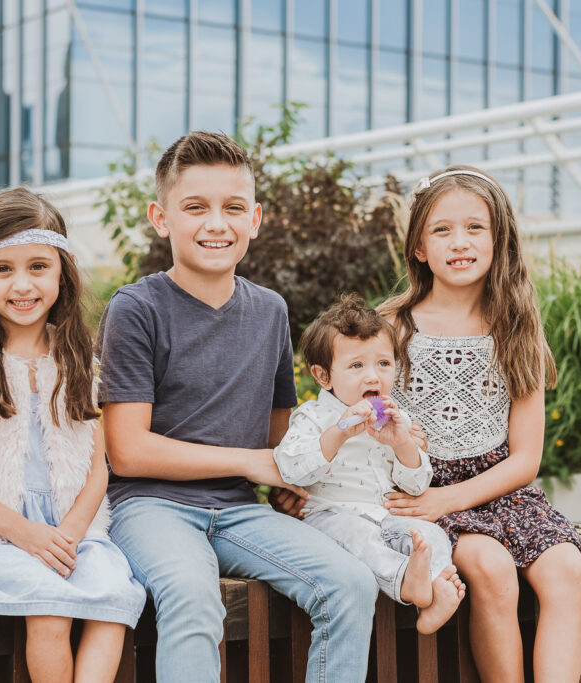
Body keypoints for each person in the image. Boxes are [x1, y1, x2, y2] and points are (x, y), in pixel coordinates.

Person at [98, 131, 378, 683]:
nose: (216, 224)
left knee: (350, 583)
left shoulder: (270, 310)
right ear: (161, 217)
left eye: (232, 208)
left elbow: (279, 438)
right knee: (192, 595)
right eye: (195, 207)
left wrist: (288, 482)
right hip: (148, 507)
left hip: (239, 511)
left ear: (255, 219)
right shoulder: (136, 308)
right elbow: (127, 452)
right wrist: (250, 463)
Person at [0, 188, 145, 682]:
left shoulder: (81, 356)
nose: (23, 284)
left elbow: (96, 469)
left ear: (62, 271)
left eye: (38, 266)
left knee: (115, 598)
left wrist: (71, 536)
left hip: (70, 530)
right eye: (3, 269)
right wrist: (24, 534)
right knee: (52, 606)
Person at [378, 166, 581, 681]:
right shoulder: (391, 326)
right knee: (492, 570)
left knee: (569, 568)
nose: (460, 242)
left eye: (476, 228)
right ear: (419, 248)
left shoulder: (517, 328)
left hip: (501, 491)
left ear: (500, 241)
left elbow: (526, 459)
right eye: (442, 230)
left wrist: (451, 499)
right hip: (419, 491)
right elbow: (362, 411)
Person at [272, 294, 465, 634]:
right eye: (357, 366)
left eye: (384, 364)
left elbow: (417, 484)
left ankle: (435, 589)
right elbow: (291, 468)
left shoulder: (396, 419)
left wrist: (403, 443)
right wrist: (340, 432)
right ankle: (406, 582)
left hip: (383, 516)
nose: (373, 377)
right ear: (322, 375)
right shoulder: (314, 418)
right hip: (331, 519)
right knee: (359, 538)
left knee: (430, 534)